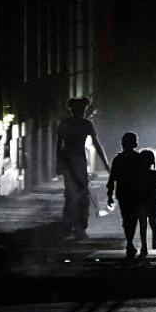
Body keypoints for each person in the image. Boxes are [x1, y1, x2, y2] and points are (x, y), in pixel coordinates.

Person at [56, 96, 110, 239]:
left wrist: (59, 164)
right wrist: (105, 164)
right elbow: (97, 145)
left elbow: (59, 146)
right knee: (81, 194)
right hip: (78, 161)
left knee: (71, 195)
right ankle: (78, 225)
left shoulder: (65, 123)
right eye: (82, 109)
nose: (83, 111)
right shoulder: (86, 124)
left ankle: (70, 225)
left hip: (70, 161)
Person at [107, 132, 146, 258]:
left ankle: (129, 242)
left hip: (124, 193)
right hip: (135, 193)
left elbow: (112, 179)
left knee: (127, 218)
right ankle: (130, 242)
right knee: (133, 218)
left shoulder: (118, 159)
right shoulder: (138, 158)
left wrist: (110, 195)